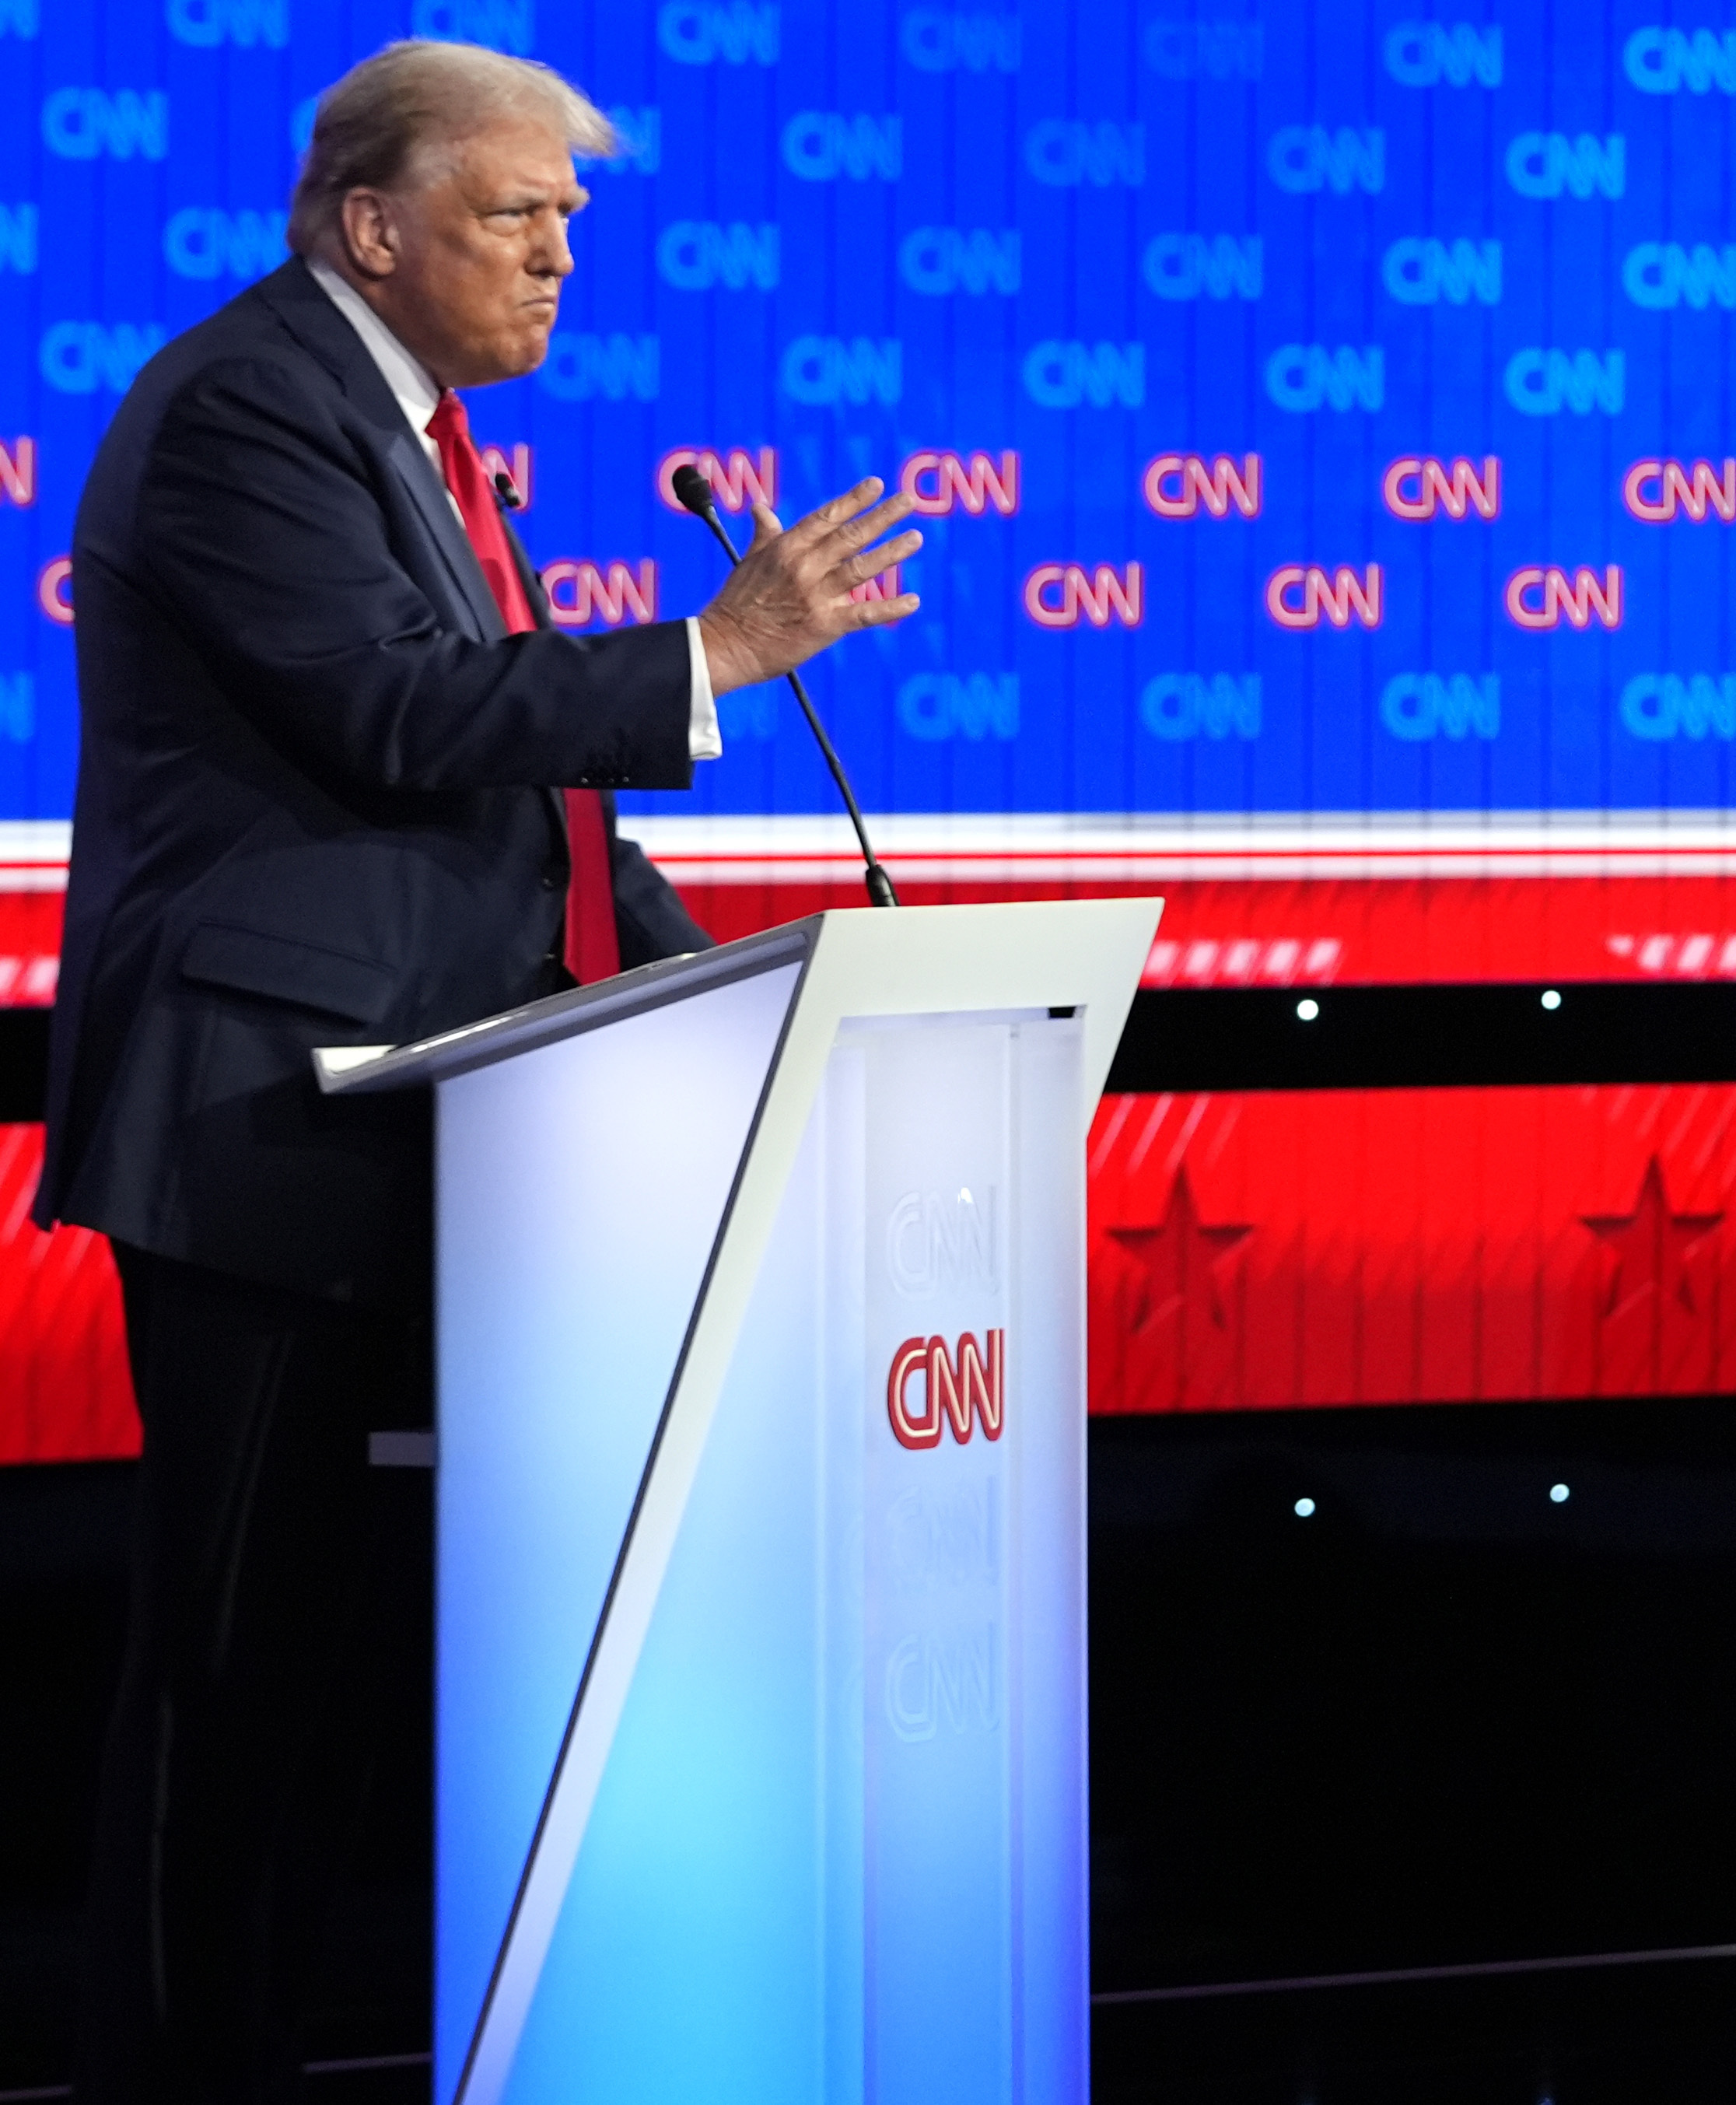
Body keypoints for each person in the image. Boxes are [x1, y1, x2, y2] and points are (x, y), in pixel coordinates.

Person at [37, 40, 924, 2098]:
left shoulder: (412, 432)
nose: (560, 256)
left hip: (401, 1127)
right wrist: (714, 652)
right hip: (265, 1126)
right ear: (374, 223)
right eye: (519, 215)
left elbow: (524, 803)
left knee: (330, 1685)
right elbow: (391, 711)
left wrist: (764, 990)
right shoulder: (252, 404)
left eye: (570, 221)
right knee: (232, 1672)